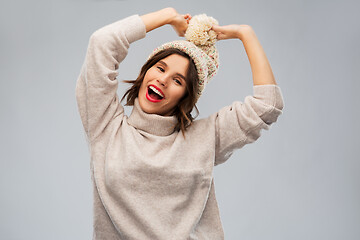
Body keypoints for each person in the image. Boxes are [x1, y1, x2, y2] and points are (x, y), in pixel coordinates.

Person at [75, 7, 284, 240]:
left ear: (186, 97)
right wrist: (168, 16)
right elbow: (101, 43)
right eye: (160, 68)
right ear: (145, 73)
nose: (162, 80)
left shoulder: (205, 136)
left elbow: (268, 105)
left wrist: (246, 34)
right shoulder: (106, 126)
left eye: (177, 80)